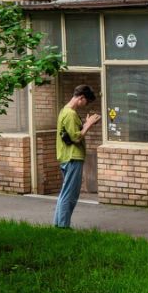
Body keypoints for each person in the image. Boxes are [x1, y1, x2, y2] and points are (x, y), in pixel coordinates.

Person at [54, 85, 101, 228]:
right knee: (70, 195)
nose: (86, 105)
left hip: (66, 156)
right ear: (81, 98)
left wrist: (85, 124)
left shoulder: (65, 111)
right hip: (73, 157)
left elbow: (71, 133)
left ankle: (58, 224)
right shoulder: (70, 114)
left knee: (65, 193)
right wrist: (89, 124)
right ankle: (63, 226)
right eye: (87, 101)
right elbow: (76, 137)